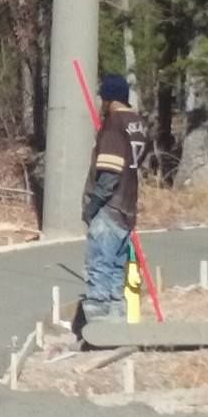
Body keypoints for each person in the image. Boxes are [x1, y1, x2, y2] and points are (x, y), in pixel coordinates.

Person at [81, 74, 148, 322]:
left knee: (99, 266)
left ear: (108, 98)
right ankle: (117, 321)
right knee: (116, 271)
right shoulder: (138, 124)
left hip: (110, 207)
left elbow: (110, 172)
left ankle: (99, 324)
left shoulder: (113, 125)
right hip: (128, 208)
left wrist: (93, 205)